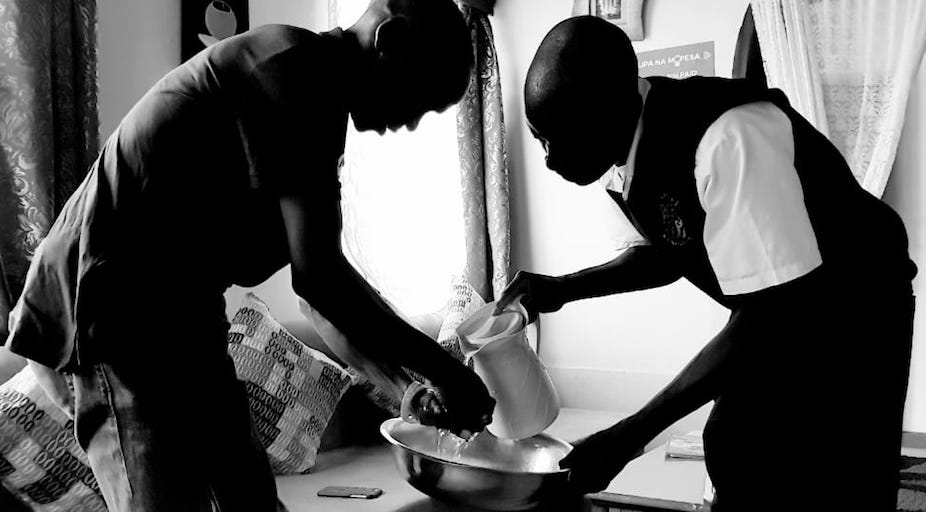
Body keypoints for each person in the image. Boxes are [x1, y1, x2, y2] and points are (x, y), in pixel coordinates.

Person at [3, 0, 496, 510]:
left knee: (249, 496)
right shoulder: (291, 68)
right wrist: (449, 371)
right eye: (422, 97)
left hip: (181, 311)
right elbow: (321, 281)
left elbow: (318, 300)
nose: (411, 122)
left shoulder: (316, 113)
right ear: (389, 43)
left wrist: (405, 389)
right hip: (106, 308)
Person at [497, 16, 916, 511]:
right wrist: (561, 289)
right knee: (736, 447)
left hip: (861, 314)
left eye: (561, 135)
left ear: (611, 107)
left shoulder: (730, 137)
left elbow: (771, 314)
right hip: (785, 309)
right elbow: (669, 250)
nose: (548, 158)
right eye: (539, 136)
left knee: (841, 473)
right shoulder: (626, 147)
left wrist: (629, 436)